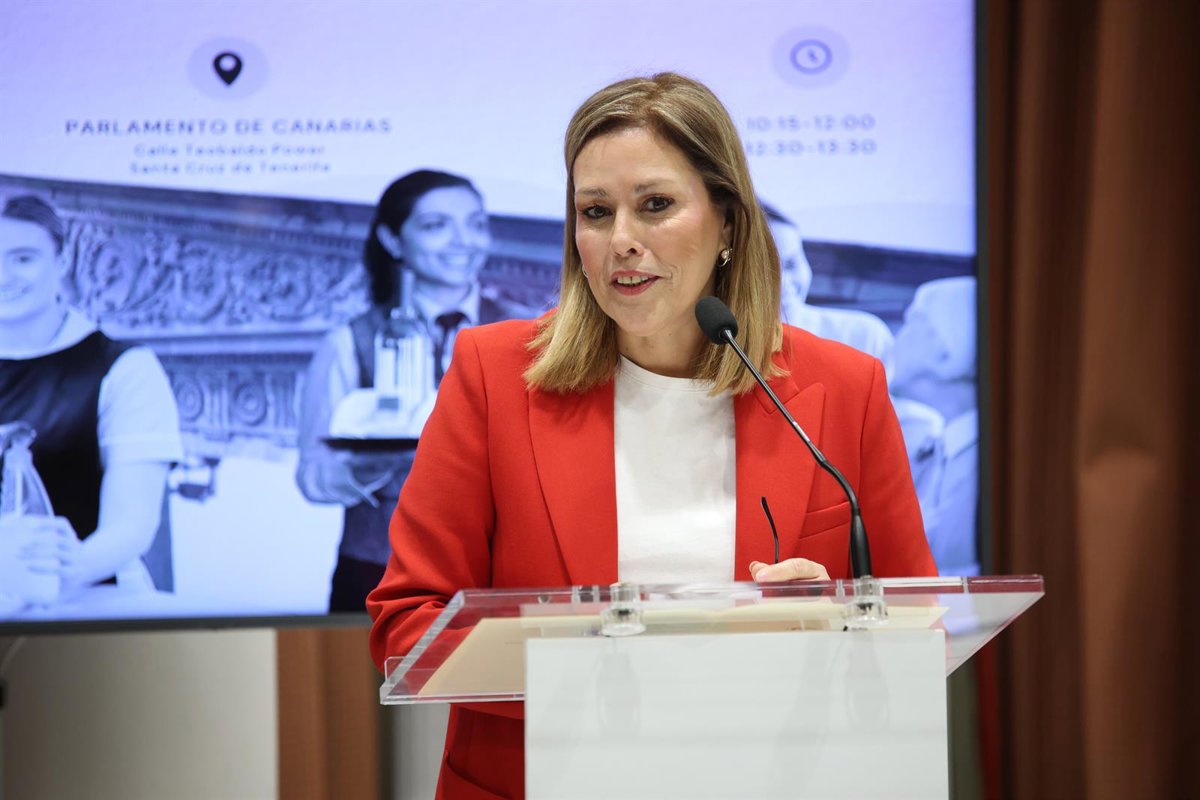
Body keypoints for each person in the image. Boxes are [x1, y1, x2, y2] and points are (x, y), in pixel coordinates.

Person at [367, 73, 936, 799]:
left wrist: (830, 622)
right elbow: (409, 628)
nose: (622, 241)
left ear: (727, 222)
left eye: (656, 205)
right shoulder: (492, 375)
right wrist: (599, 658)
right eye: (595, 212)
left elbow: (919, 629)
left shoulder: (845, 387)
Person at [296, 169, 534, 612]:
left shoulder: (529, 333)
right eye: (436, 225)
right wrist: (371, 467)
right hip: (381, 573)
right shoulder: (351, 340)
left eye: (475, 224)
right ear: (392, 240)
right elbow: (313, 476)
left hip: (506, 573)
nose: (463, 241)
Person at [0, 195, 182, 616]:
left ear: (62, 261)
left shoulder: (125, 368)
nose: (4, 276)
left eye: (23, 258)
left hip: (87, 609)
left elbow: (131, 525)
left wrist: (68, 567)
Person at [891, 275, 979, 575]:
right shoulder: (940, 451)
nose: (897, 337)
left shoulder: (985, 465)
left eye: (911, 322)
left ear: (945, 351)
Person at [764, 202, 896, 372]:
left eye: (791, 264)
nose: (782, 284)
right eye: (763, 272)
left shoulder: (864, 337)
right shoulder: (733, 354)